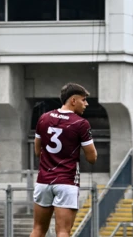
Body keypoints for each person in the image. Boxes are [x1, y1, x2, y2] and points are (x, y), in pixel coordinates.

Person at [30, 83, 97, 237]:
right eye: (84, 100)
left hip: (43, 181)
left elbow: (37, 151)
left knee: (38, 229)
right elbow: (92, 158)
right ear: (73, 100)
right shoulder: (81, 124)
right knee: (63, 231)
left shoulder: (44, 118)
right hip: (67, 182)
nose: (86, 104)